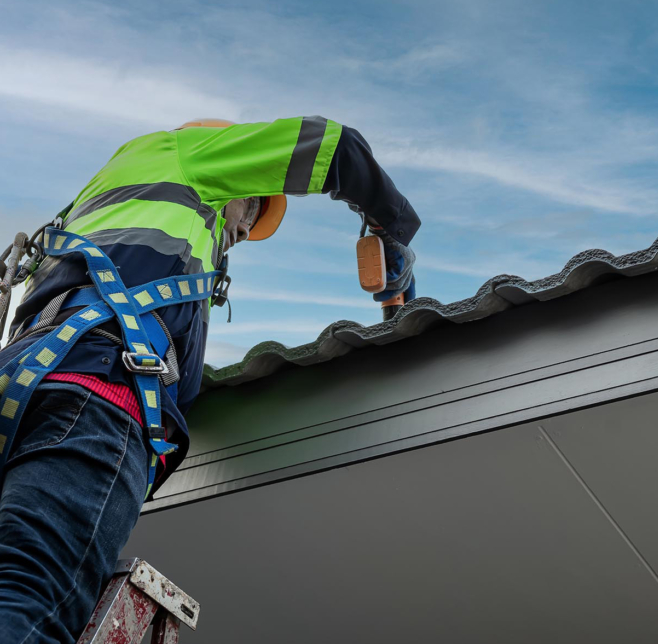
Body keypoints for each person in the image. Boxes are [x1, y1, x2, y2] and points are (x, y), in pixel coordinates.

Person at [0, 117, 420, 643]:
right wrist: (393, 227)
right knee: (31, 603)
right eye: (251, 209)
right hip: (98, 393)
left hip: (28, 388)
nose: (242, 232)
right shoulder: (190, 152)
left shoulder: (101, 199)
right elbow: (337, 147)